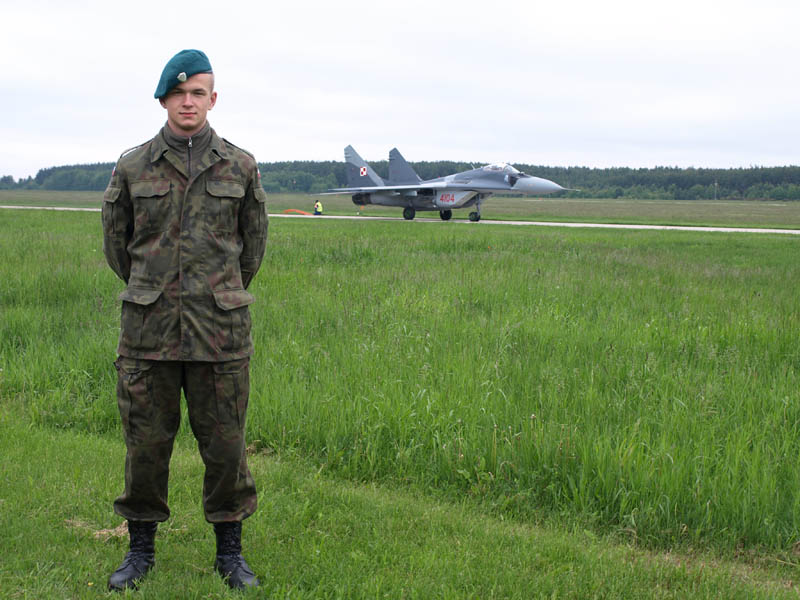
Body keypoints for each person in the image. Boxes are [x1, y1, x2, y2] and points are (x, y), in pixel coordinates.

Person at [101, 49, 268, 591]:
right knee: (145, 448)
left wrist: (217, 294)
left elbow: (252, 249)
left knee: (226, 448)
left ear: (213, 99)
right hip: (147, 335)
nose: (188, 102)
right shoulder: (133, 166)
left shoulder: (239, 166)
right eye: (178, 93)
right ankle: (140, 551)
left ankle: (230, 554)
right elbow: (118, 247)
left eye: (198, 92)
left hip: (219, 334)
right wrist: (154, 291)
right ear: (163, 100)